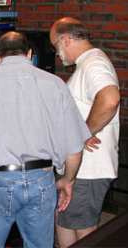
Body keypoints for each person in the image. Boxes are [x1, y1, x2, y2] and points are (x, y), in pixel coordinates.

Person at [0, 31, 91, 248]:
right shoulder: (56, 84)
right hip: (42, 179)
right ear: (30, 54)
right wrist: (68, 180)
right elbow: (74, 148)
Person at [50, 17, 120, 247]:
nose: (57, 54)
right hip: (80, 168)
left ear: (66, 39)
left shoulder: (94, 63)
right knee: (64, 220)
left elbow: (110, 99)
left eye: (56, 46)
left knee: (85, 231)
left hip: (88, 169)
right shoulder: (88, 63)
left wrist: (82, 132)